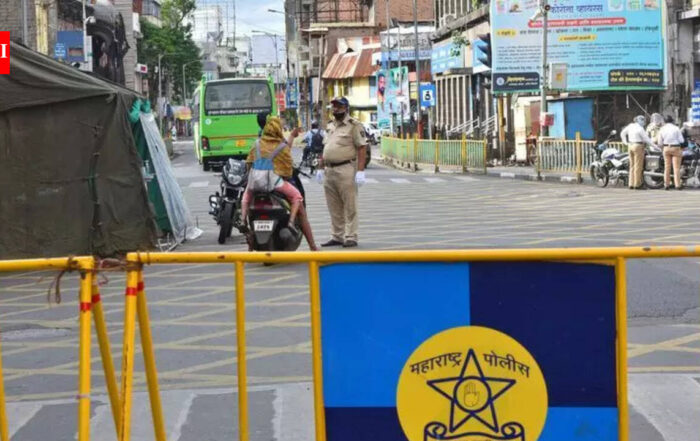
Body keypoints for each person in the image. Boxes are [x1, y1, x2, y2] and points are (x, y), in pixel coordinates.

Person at [240, 114, 318, 251]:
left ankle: (243, 220)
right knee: (297, 198)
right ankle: (297, 228)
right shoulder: (282, 147)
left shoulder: (256, 144)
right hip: (275, 184)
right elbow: (287, 172)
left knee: (245, 198)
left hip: (255, 183)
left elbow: (249, 164)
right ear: (278, 129)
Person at [316, 96, 368, 248]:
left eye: (339, 106)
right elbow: (325, 148)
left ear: (346, 108)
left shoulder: (354, 125)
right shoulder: (330, 126)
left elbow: (362, 147)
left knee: (350, 205)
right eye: (334, 106)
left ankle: (351, 236)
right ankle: (337, 236)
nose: (336, 109)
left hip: (346, 168)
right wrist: (320, 167)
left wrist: (360, 171)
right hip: (329, 170)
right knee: (334, 206)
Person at [620, 115, 655, 190]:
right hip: (638, 146)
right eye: (642, 120)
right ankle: (638, 184)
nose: (643, 122)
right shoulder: (640, 128)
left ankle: (631, 184)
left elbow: (622, 133)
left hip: (630, 145)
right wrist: (656, 147)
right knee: (638, 166)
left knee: (632, 166)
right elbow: (647, 140)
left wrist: (625, 142)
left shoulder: (630, 126)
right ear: (639, 120)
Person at [657, 115, 685, 190]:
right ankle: (677, 185)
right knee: (676, 168)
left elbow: (659, 142)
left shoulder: (662, 129)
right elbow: (682, 140)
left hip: (666, 148)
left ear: (665, 121)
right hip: (676, 148)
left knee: (667, 167)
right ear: (672, 121)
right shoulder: (676, 128)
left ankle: (666, 185)